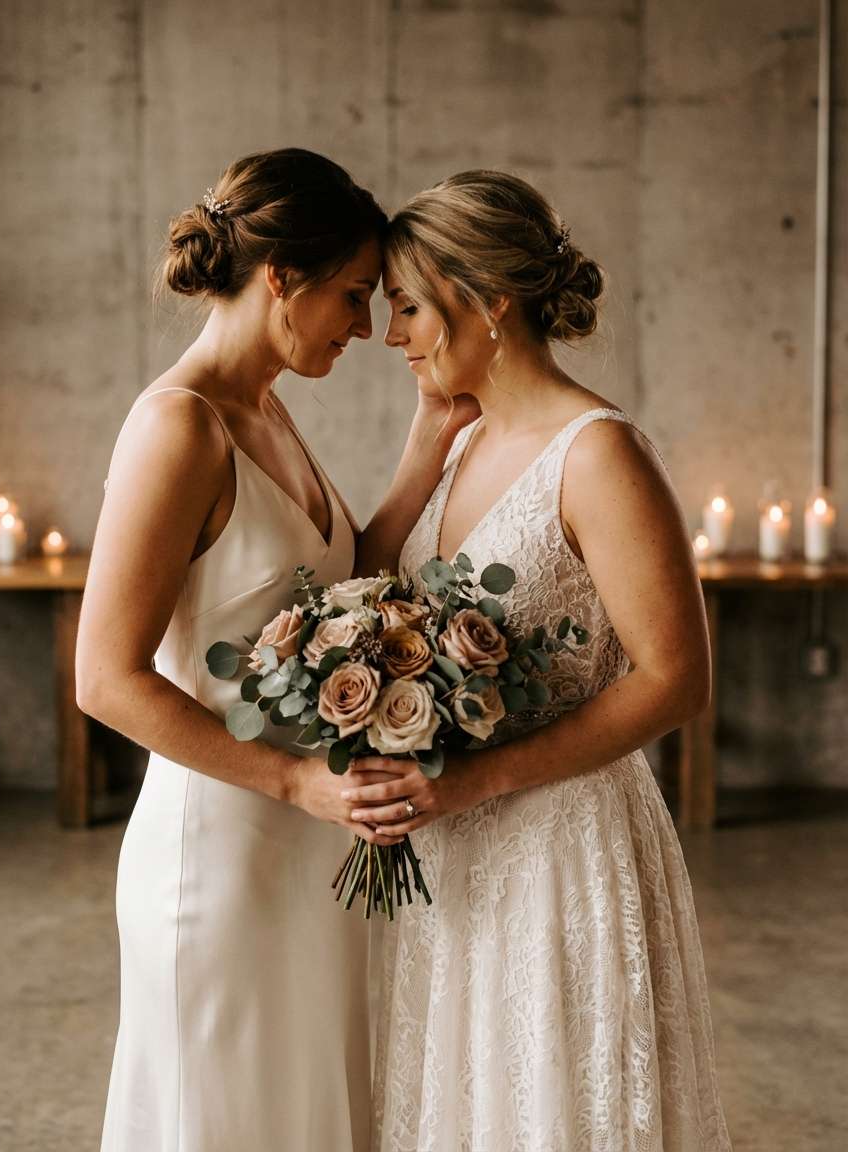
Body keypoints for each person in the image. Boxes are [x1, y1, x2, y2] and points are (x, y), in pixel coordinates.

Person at [76, 148, 464, 1152]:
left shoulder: (268, 408)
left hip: (308, 847)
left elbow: (335, 586)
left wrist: (426, 445)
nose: (366, 327)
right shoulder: (178, 426)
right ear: (283, 277)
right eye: (353, 294)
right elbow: (105, 679)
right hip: (219, 850)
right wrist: (295, 783)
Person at [347, 171, 732, 1151]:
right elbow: (368, 590)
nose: (390, 336)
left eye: (408, 307)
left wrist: (474, 782)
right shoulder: (460, 438)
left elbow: (675, 678)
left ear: (486, 300)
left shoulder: (598, 454)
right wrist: (420, 450)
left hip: (562, 846)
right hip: (455, 850)